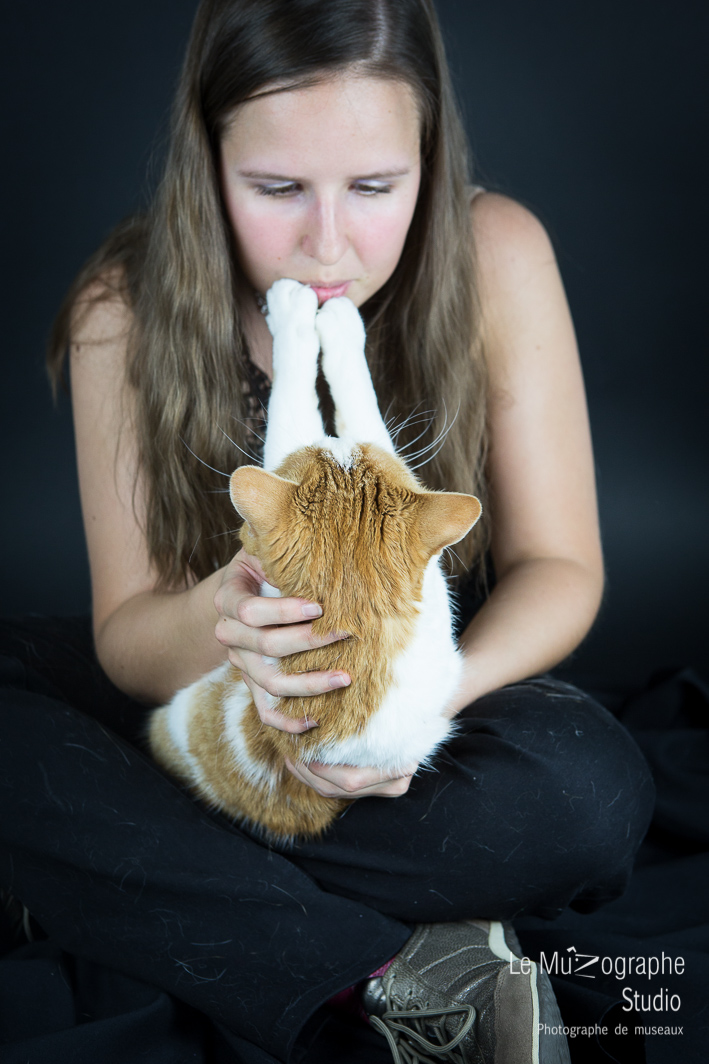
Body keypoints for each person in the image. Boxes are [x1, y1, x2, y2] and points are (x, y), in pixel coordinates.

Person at [0, 1, 654, 1062]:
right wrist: (227, 620)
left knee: (587, 795)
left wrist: (420, 701)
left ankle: (100, 869)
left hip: (408, 722)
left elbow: (560, 565)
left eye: (374, 188)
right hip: (202, 710)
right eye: (275, 189)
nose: (327, 243)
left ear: (429, 159)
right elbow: (126, 637)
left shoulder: (498, 251)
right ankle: (394, 971)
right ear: (207, 164)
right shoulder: (119, 307)